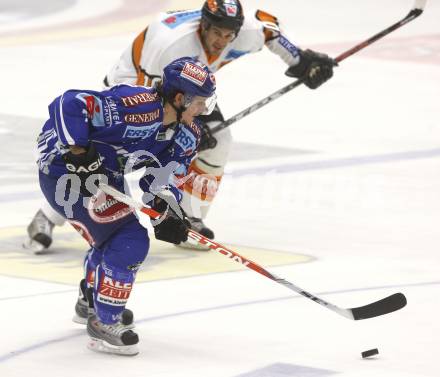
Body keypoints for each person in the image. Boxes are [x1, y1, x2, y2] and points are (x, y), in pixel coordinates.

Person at [26, 0, 335, 252]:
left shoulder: (242, 33)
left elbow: (268, 28)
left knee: (220, 140)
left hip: (189, 88)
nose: (221, 41)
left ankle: (189, 216)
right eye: (216, 32)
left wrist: (300, 60)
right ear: (203, 24)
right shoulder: (171, 44)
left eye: (229, 34)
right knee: (115, 160)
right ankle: (49, 213)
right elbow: (151, 101)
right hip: (138, 85)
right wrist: (182, 130)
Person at [36, 57, 217, 355]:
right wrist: (80, 153)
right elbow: (68, 104)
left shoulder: (187, 134)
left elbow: (165, 177)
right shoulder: (138, 106)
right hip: (62, 170)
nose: (203, 111)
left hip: (103, 175)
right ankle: (103, 322)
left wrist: (168, 210)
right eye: (200, 103)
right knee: (130, 238)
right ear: (180, 98)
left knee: (113, 235)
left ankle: (92, 301)